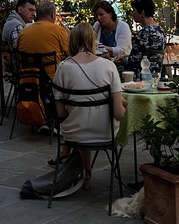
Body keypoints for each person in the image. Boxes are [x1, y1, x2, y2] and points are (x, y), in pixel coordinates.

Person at [52, 22, 126, 178]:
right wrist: (122, 104)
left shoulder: (63, 67)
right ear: (93, 41)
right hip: (104, 133)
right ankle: (88, 173)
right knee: (99, 115)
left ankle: (86, 173)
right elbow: (119, 114)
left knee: (81, 117)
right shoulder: (108, 66)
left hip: (73, 134)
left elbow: (60, 114)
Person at [123, 0, 168, 76]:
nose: (132, 13)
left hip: (141, 76)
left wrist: (123, 59)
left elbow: (134, 60)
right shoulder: (161, 31)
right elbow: (148, 55)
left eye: (134, 10)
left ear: (142, 12)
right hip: (156, 74)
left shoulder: (144, 32)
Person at [16, 0, 70, 64]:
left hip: (27, 73)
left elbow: (17, 55)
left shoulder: (23, 32)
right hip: (53, 73)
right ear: (53, 15)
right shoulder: (59, 31)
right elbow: (69, 54)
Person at [93, 0, 132, 65]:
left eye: (101, 14)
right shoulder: (97, 25)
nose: (99, 18)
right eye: (97, 16)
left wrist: (101, 48)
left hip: (120, 65)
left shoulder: (123, 27)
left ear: (110, 14)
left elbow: (122, 51)